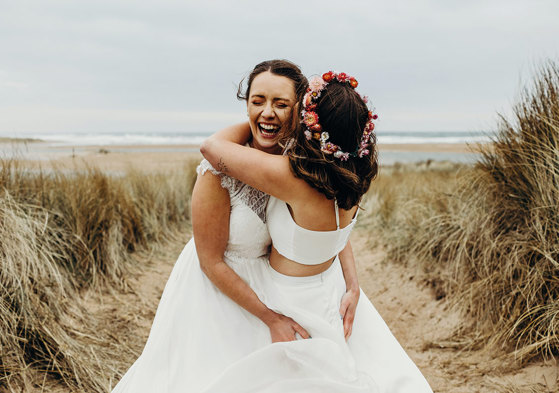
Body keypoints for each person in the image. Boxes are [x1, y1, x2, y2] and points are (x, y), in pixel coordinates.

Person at [111, 60, 362, 392]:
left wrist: (352, 283)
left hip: (276, 291)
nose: (268, 112)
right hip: (222, 294)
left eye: (281, 104)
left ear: (301, 111)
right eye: (257, 101)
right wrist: (269, 317)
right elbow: (210, 261)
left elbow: (325, 223)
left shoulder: (301, 161)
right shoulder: (218, 170)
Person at [201, 70, 434, 392]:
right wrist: (353, 286)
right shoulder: (351, 174)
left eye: (293, 106)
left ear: (308, 121)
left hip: (290, 297)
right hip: (331, 289)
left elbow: (212, 147)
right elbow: (338, 238)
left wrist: (254, 116)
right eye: (258, 101)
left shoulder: (293, 176)